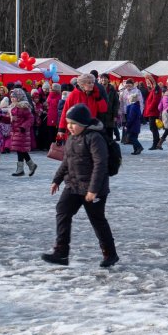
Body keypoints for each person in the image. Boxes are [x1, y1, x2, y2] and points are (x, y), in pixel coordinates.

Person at [42, 104, 117, 267]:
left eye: (73, 123)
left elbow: (100, 164)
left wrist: (93, 189)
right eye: (68, 123)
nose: (69, 126)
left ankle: (110, 254)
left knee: (97, 220)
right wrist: (57, 180)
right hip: (74, 185)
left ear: (84, 123)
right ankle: (61, 252)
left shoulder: (95, 138)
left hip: (93, 188)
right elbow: (66, 162)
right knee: (62, 211)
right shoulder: (72, 138)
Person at [57, 74, 108, 143]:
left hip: (91, 129)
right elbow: (65, 112)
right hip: (76, 130)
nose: (92, 85)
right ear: (82, 84)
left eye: (93, 82)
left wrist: (98, 98)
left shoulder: (94, 95)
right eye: (89, 83)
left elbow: (103, 109)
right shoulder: (73, 95)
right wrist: (61, 129)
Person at [8, 89, 38, 177]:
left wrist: (23, 126)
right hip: (15, 131)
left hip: (22, 131)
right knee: (20, 150)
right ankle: (30, 166)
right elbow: (10, 119)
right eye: (11, 97)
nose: (12, 99)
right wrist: (0, 118)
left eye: (14, 97)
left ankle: (22, 169)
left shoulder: (23, 107)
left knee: (21, 150)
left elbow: (31, 118)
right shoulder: (12, 108)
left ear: (19, 98)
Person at [99, 74, 120, 143]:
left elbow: (116, 103)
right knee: (101, 133)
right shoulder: (97, 89)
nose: (103, 80)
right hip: (100, 115)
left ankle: (110, 150)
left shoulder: (112, 90)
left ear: (108, 80)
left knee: (110, 134)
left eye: (105, 78)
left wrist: (115, 115)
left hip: (110, 115)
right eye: (102, 78)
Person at [143, 75, 163, 149]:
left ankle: (156, 143)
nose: (147, 83)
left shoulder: (156, 88)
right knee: (153, 128)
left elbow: (155, 100)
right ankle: (157, 143)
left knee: (153, 128)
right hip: (151, 111)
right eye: (147, 81)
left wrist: (150, 108)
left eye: (149, 81)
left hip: (153, 112)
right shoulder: (153, 89)